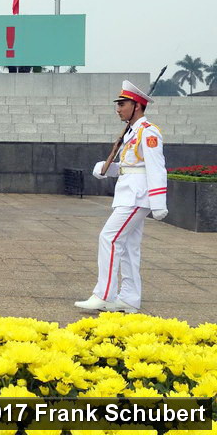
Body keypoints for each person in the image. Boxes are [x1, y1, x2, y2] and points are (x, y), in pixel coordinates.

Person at [75, 80, 168, 314]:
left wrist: (159, 203)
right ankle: (128, 299)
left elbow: (156, 168)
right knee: (128, 246)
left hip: (137, 196)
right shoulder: (132, 133)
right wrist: (104, 168)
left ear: (137, 105)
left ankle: (104, 295)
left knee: (109, 238)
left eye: (122, 104)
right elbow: (131, 166)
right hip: (129, 193)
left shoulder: (148, 132)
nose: (118, 109)